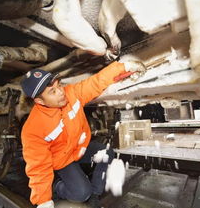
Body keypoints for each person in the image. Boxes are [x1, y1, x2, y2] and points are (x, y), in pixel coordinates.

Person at [20, 60, 141, 208]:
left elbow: (95, 83)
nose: (61, 92)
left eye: (59, 86)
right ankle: (57, 186)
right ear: (40, 101)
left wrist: (123, 66)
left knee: (107, 152)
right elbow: (38, 166)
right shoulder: (33, 128)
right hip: (61, 160)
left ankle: (95, 195)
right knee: (81, 194)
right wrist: (43, 200)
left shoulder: (71, 93)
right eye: (52, 91)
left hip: (78, 149)